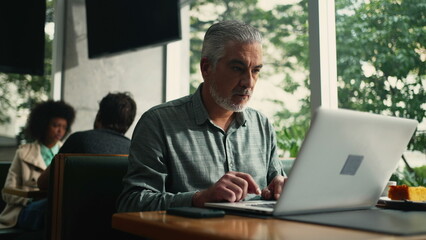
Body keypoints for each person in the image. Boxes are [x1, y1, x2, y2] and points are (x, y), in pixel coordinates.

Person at [117, 20, 287, 212]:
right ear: (206, 68)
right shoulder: (158, 123)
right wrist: (200, 198)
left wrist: (281, 187)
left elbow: (276, 183)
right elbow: (131, 203)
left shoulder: (261, 125)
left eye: (255, 70)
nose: (249, 82)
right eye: (237, 68)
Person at [37, 92, 137, 190]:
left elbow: (43, 183)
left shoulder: (78, 140)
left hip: (72, 207)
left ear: (99, 116)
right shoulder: (134, 151)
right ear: (129, 124)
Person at [0, 100, 75, 230]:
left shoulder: (68, 154)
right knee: (51, 207)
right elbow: (7, 192)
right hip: (24, 210)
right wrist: (29, 199)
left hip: (55, 209)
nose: (59, 131)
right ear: (43, 125)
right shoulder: (24, 153)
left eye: (63, 127)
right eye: (55, 125)